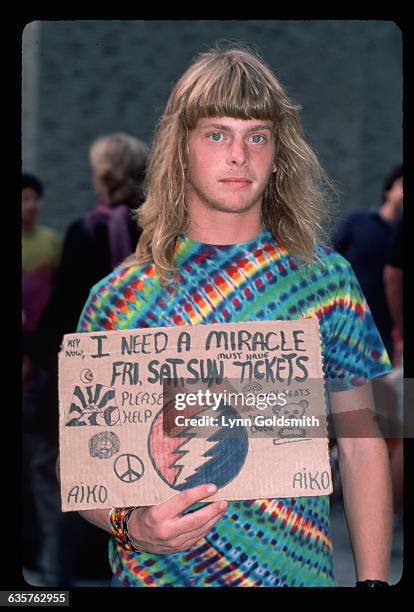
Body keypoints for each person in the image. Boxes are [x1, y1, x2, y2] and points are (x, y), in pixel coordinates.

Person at [61, 45, 393, 588]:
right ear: (181, 148)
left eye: (257, 135)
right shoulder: (118, 298)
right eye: (217, 133)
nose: (239, 154)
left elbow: (362, 442)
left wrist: (376, 584)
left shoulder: (327, 281)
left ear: (278, 152)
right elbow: (79, 465)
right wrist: (132, 525)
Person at [22, 172, 61, 576]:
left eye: (34, 198)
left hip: (36, 361)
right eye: (23, 199)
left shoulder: (50, 243)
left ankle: (36, 552)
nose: (29, 206)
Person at [332, 165, 403, 364]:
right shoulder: (359, 222)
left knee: (382, 389)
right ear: (389, 190)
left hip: (385, 329)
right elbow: (329, 259)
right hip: (349, 320)